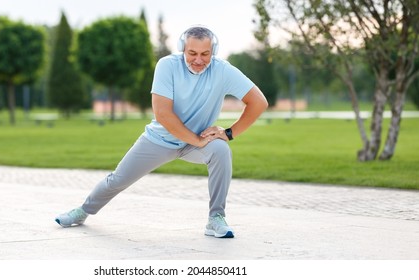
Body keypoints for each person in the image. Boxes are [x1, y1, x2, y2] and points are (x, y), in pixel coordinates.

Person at [55, 26, 268, 238]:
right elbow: (163, 114)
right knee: (118, 180)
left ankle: (215, 219)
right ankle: (82, 211)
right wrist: (195, 139)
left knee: (221, 150)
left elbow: (258, 102)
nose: (199, 60)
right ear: (182, 49)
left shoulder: (222, 70)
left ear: (213, 52)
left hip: (197, 142)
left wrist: (229, 133)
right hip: (160, 140)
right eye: (192, 53)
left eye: (205, 54)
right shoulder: (167, 66)